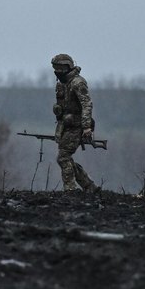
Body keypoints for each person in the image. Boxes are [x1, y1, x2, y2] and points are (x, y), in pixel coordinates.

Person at [51, 54, 100, 193]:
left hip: (77, 126)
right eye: (55, 68)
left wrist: (86, 127)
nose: (57, 71)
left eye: (60, 68)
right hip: (66, 125)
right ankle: (89, 187)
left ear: (68, 67)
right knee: (65, 157)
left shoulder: (78, 83)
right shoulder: (62, 84)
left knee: (63, 157)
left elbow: (87, 104)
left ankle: (70, 189)